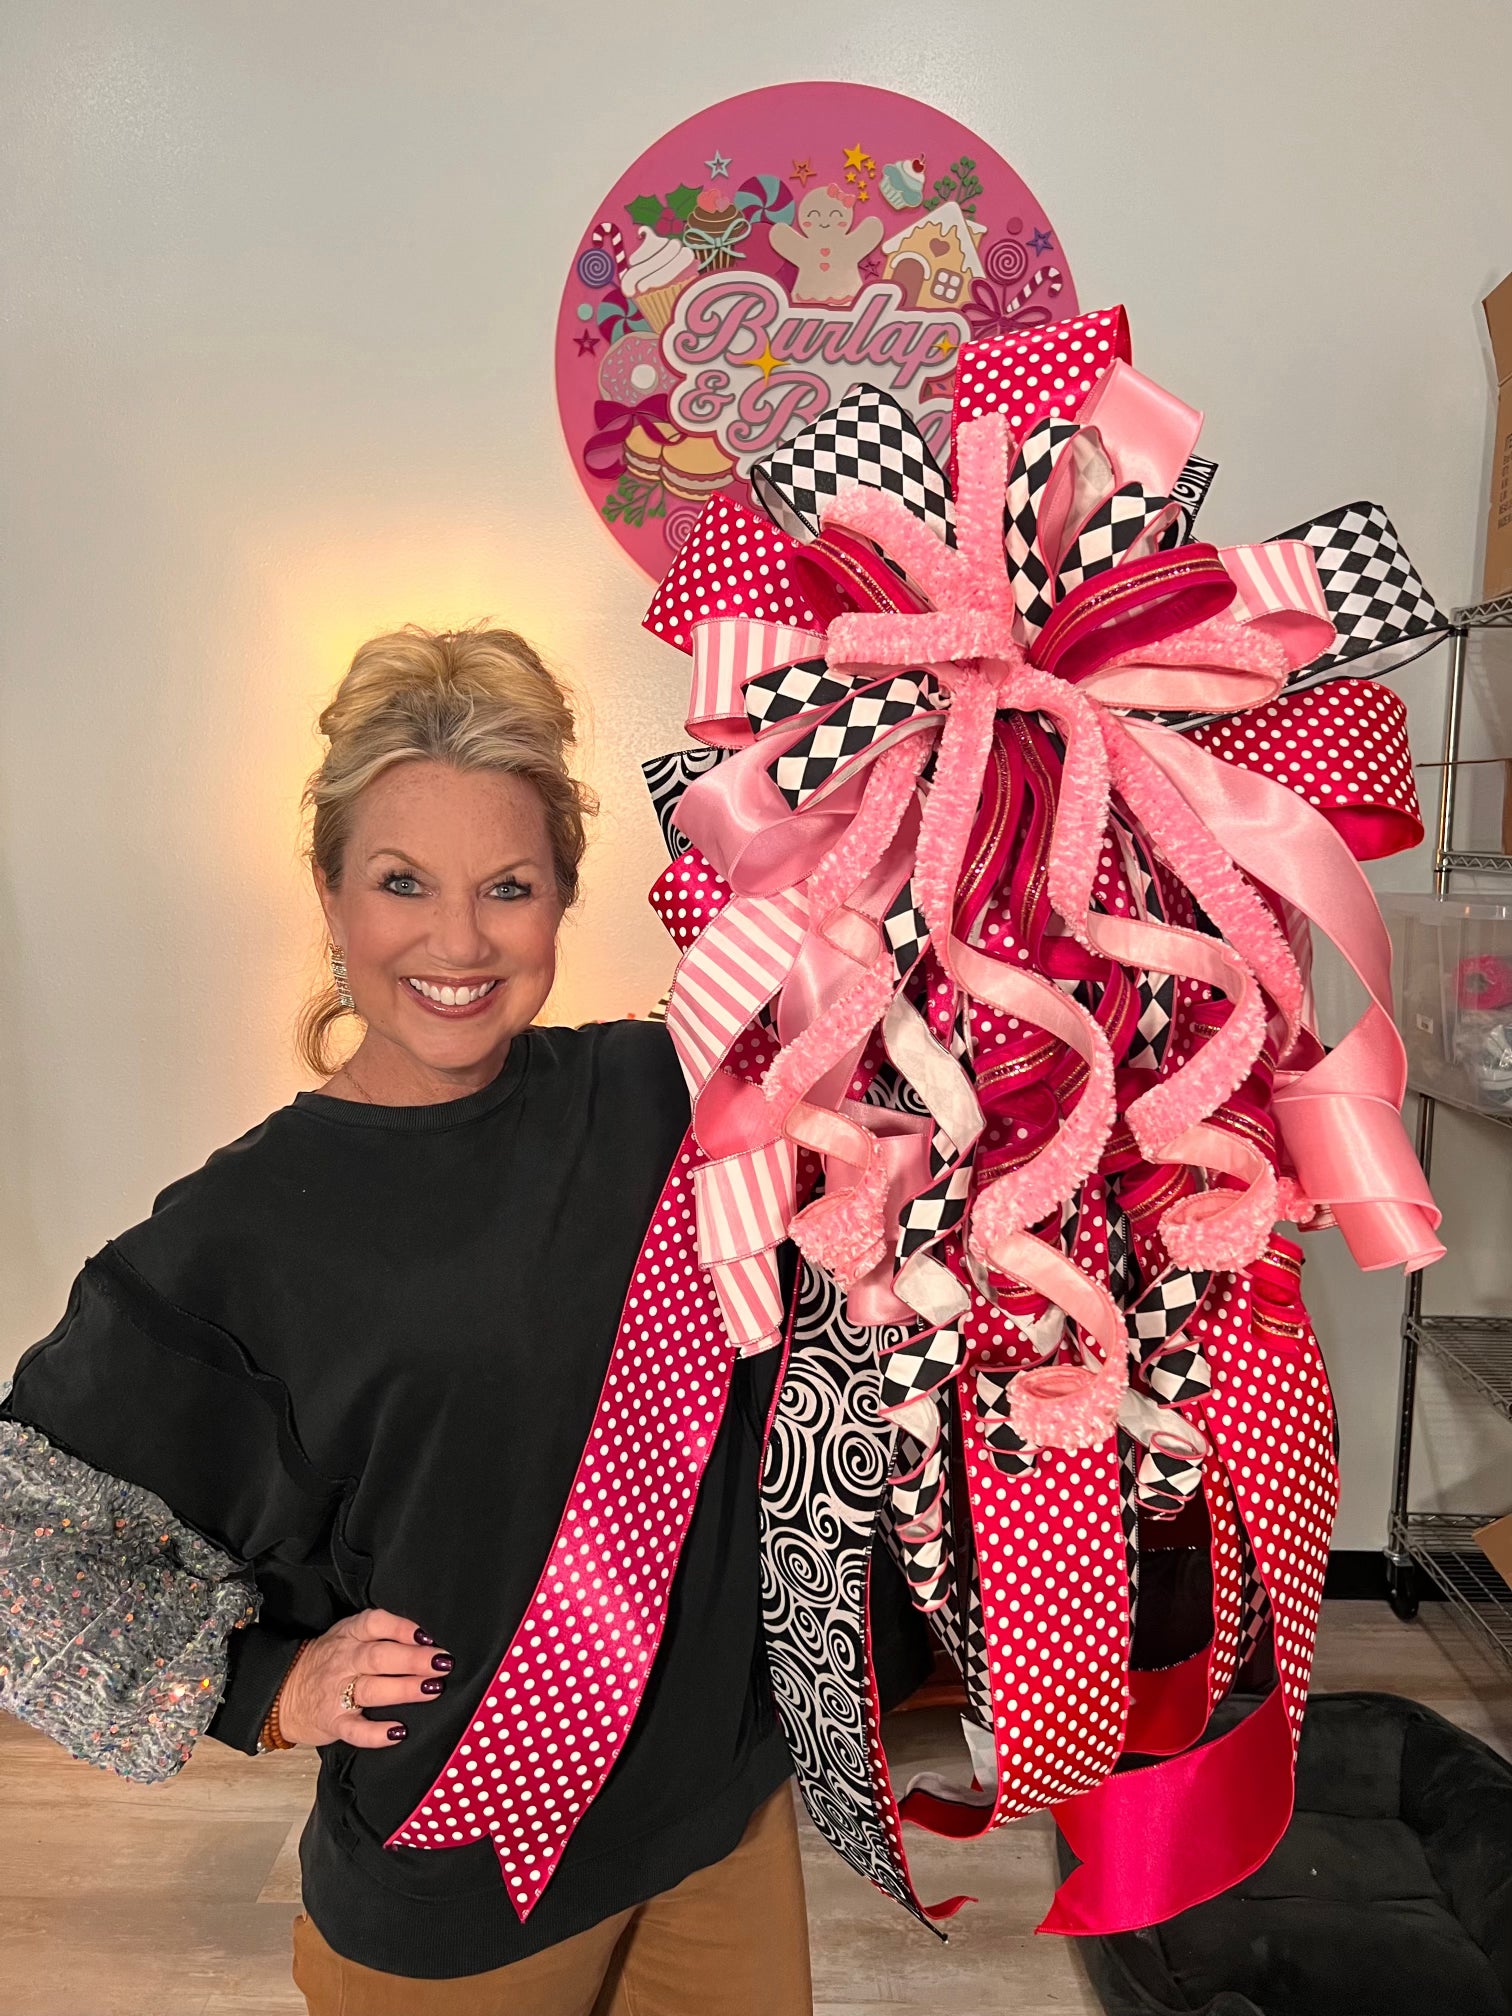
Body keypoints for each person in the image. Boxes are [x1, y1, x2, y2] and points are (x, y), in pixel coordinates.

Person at [0, 626, 813, 2014]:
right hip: (465, 1882)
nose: (457, 940)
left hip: (721, 1811)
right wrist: (266, 1682)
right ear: (328, 897)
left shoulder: (661, 1094)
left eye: (508, 887)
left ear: (562, 899)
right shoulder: (243, 1228)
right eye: (401, 884)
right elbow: (20, 1543)